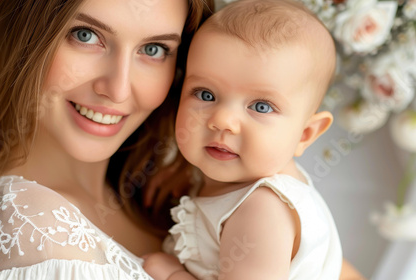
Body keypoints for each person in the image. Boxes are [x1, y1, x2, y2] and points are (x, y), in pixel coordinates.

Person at [0, 0, 214, 279]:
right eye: (85, 35)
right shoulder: (31, 225)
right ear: (20, 35)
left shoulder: (163, 202)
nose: (118, 90)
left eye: (154, 49)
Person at [142, 0, 348, 279]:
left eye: (261, 106)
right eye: (205, 94)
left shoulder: (263, 210)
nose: (222, 120)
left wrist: (171, 275)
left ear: (305, 134)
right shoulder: (234, 181)